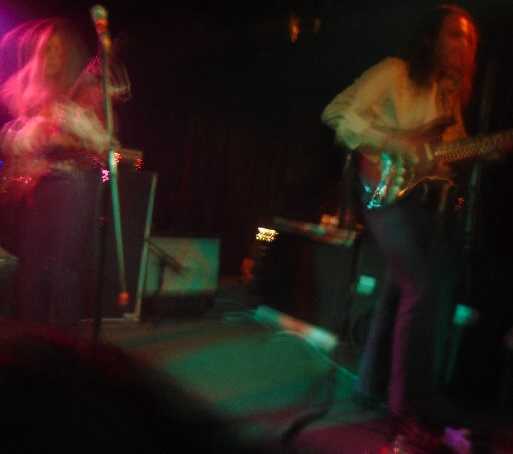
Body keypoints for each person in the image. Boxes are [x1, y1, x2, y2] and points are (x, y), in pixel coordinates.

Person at [321, 3, 480, 451]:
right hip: (383, 191)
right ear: (431, 38)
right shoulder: (395, 73)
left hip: (419, 201)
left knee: (404, 288)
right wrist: (398, 142)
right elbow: (337, 114)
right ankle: (406, 411)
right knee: (420, 287)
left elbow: (445, 154)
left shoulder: (449, 99)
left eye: (471, 39)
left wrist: (478, 151)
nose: (465, 46)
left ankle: (372, 387)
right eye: (455, 35)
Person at [0, 17, 130, 329]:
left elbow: (105, 142)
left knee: (63, 270)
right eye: (48, 50)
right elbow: (13, 140)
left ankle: (62, 344)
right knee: (32, 268)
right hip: (40, 186)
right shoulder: (31, 94)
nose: (53, 57)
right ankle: (31, 339)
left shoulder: (85, 92)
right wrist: (36, 133)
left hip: (75, 184)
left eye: (59, 50)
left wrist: (71, 132)